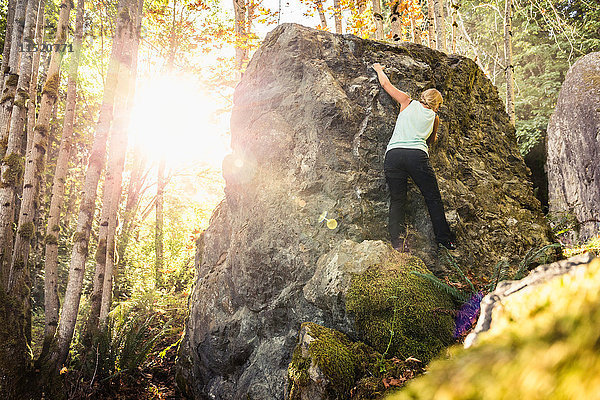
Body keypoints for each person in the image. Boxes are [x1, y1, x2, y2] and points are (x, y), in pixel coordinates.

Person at [372, 62, 456, 251]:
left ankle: (397, 243)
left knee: (397, 199)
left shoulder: (407, 102)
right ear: (437, 104)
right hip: (416, 156)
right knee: (432, 198)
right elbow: (431, 140)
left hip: (393, 155)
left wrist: (379, 69)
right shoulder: (434, 118)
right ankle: (444, 240)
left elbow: (386, 85)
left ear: (423, 98)